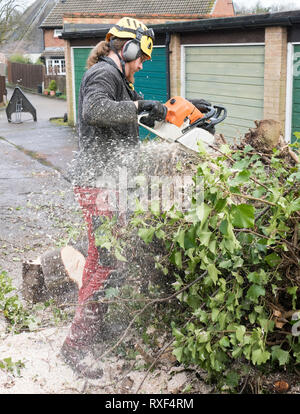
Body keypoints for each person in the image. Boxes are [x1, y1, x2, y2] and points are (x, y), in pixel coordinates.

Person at [60, 16, 212, 379]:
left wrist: (184, 110)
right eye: (141, 56)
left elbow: (143, 109)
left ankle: (92, 329)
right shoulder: (103, 75)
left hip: (108, 184)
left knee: (104, 259)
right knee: (105, 263)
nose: (143, 63)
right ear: (124, 48)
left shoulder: (119, 81)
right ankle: (76, 347)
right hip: (99, 186)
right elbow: (95, 110)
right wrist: (141, 108)